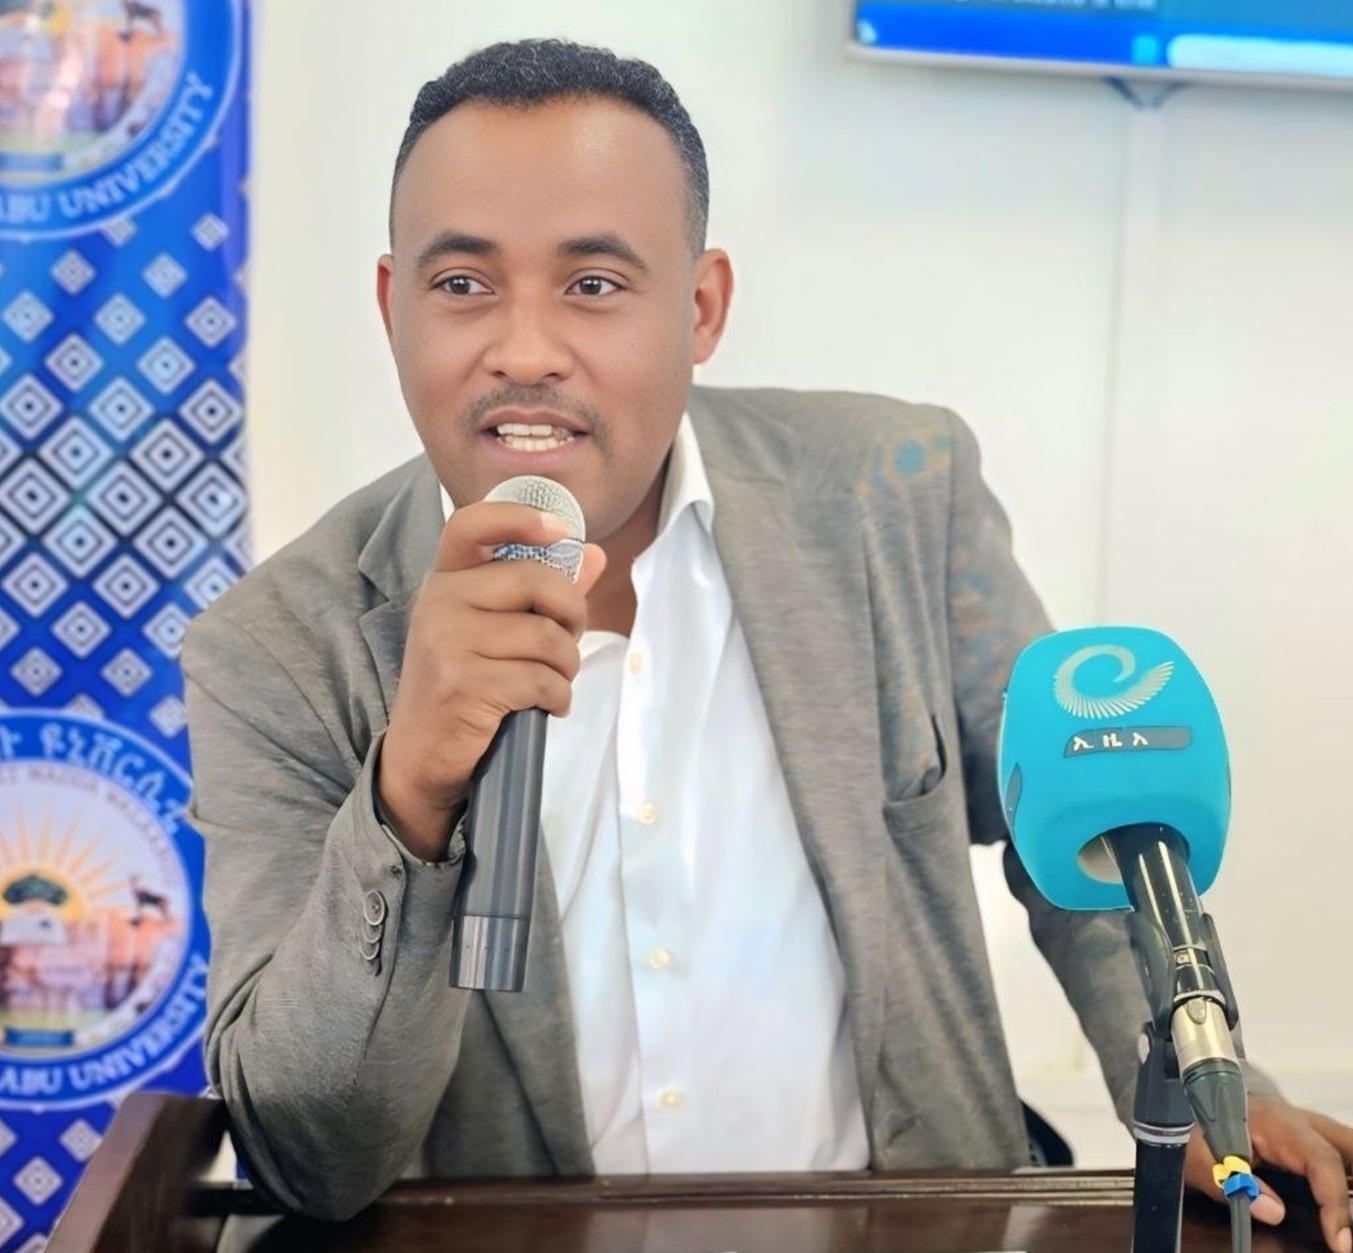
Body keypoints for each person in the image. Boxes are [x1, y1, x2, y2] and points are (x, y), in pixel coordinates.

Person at [181, 37, 1353, 1248]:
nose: (523, 350)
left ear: (699, 309)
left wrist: (1210, 1092)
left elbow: (1082, 831)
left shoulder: (896, 493)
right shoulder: (274, 650)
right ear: (393, 307)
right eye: (465, 283)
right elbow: (312, 1153)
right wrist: (410, 795)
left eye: (593, 284)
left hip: (909, 1226)